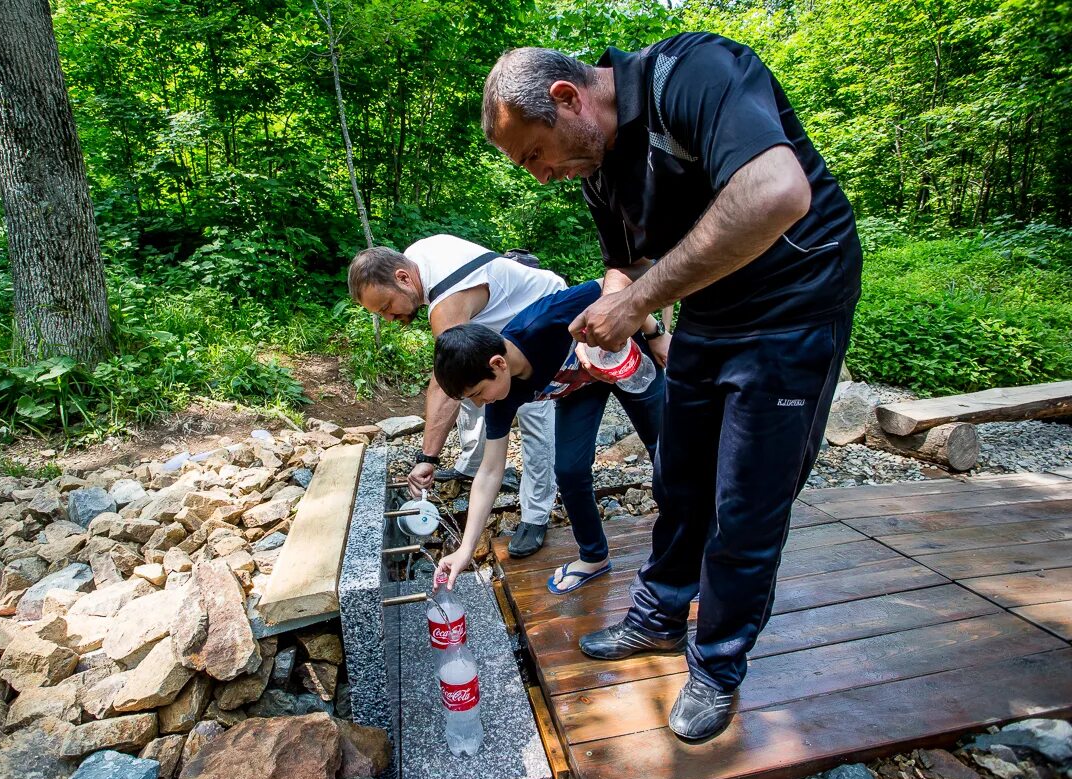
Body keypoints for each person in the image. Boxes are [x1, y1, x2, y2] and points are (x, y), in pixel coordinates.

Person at [482, 35, 861, 740]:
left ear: (567, 100)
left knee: (745, 500)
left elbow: (777, 191)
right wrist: (616, 310)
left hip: (797, 297)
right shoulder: (596, 163)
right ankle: (658, 617)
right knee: (679, 475)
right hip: (711, 304)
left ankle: (716, 665)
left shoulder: (692, 73)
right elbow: (626, 264)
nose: (540, 176)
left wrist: (637, 300)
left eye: (534, 154)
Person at [431, 279, 665, 594]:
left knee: (666, 450)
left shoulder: (541, 321)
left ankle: (694, 544)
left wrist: (655, 332)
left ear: (498, 364)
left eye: (476, 393)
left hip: (625, 355)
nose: (478, 403)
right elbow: (488, 472)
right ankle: (593, 556)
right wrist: (465, 548)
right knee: (569, 470)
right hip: (581, 387)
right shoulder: (500, 399)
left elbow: (614, 286)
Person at [348, 235, 568, 557]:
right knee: (472, 388)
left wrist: (427, 458)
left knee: (533, 415)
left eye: (386, 308)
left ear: (403, 278)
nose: (389, 319)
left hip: (539, 317)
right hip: (496, 329)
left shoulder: (446, 300)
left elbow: (444, 385)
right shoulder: (415, 257)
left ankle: (535, 515)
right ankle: (471, 463)